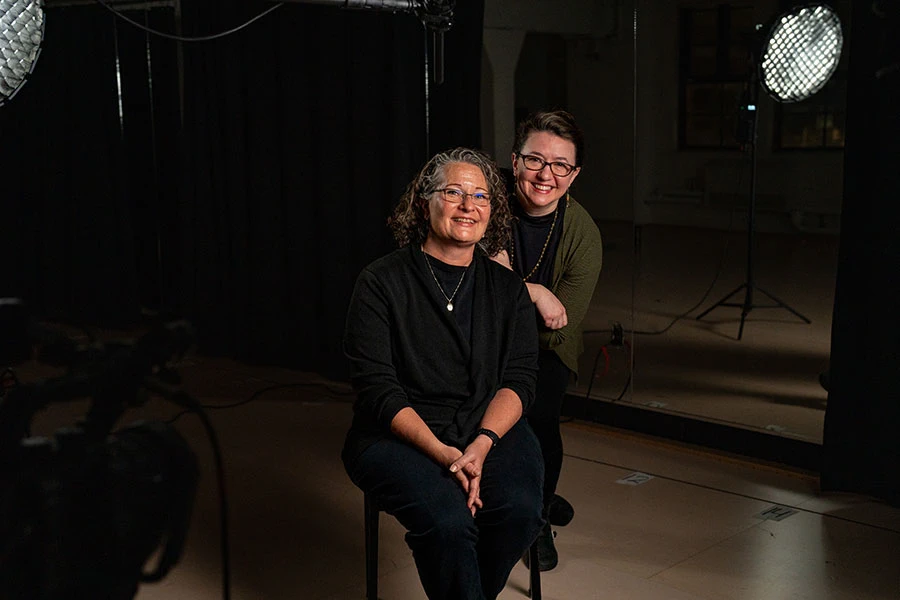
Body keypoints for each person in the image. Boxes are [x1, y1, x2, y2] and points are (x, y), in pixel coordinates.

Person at [341, 147, 544, 600]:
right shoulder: (380, 282)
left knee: (521, 509)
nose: (469, 205)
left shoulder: (507, 288)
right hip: (397, 433)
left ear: (493, 211)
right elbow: (378, 390)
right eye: (454, 192)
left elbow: (520, 378)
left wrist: (481, 444)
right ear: (423, 201)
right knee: (449, 522)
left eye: (481, 196)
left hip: (486, 428)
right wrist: (444, 454)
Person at [494, 110, 603, 571]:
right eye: (535, 160)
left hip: (545, 350)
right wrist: (532, 291)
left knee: (538, 416)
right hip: (479, 340)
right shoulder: (486, 198)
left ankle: (537, 519)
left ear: (574, 175)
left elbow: (559, 325)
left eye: (560, 165)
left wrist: (499, 283)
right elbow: (450, 273)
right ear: (514, 162)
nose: (546, 175)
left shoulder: (584, 237)